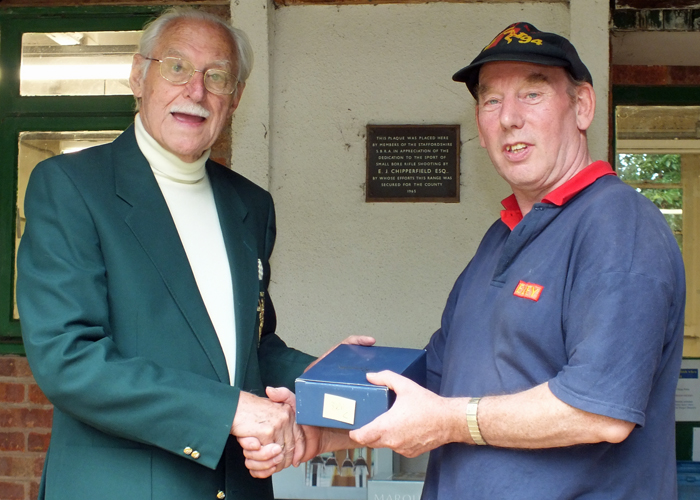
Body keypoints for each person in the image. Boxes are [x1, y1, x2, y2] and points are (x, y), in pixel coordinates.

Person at [243, 22, 686, 499]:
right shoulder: (501, 238)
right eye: (491, 101)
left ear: (582, 107)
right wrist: (328, 428)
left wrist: (452, 422)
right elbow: (437, 381)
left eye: (532, 94)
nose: (509, 118)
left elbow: (599, 411)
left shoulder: (618, 224)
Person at [16, 8, 371, 500]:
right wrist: (231, 410)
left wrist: (333, 378)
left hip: (238, 486)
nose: (196, 91)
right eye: (177, 67)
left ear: (235, 99)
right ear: (139, 77)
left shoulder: (250, 205)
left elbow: (251, 351)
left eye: (217, 77)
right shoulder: (71, 187)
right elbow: (68, 358)